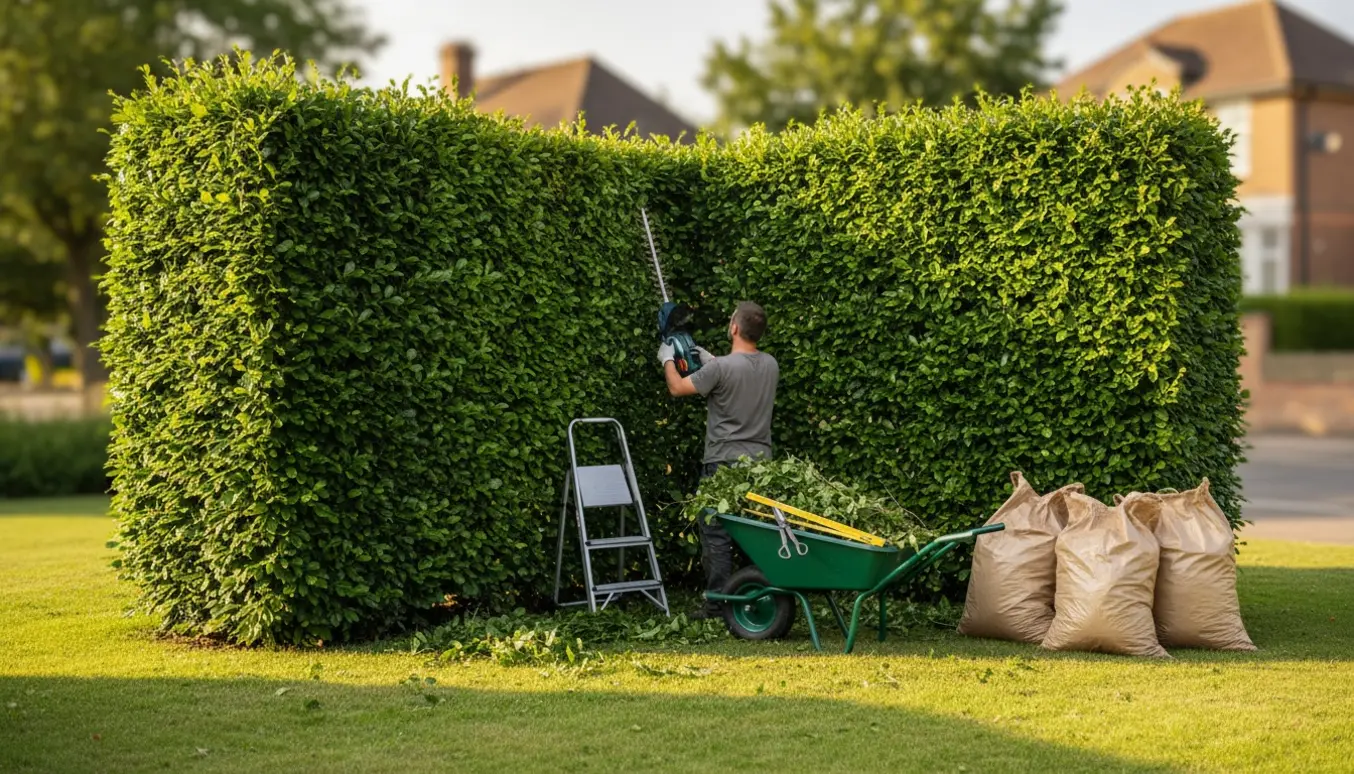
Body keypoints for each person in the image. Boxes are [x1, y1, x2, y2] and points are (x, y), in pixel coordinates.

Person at [658, 301, 778, 619]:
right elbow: (735, 376)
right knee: (755, 531)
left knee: (715, 533)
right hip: (760, 466)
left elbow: (677, 387)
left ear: (735, 328)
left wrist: (668, 358)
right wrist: (710, 361)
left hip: (723, 463)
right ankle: (756, 596)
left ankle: (717, 605)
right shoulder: (770, 364)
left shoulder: (721, 368)